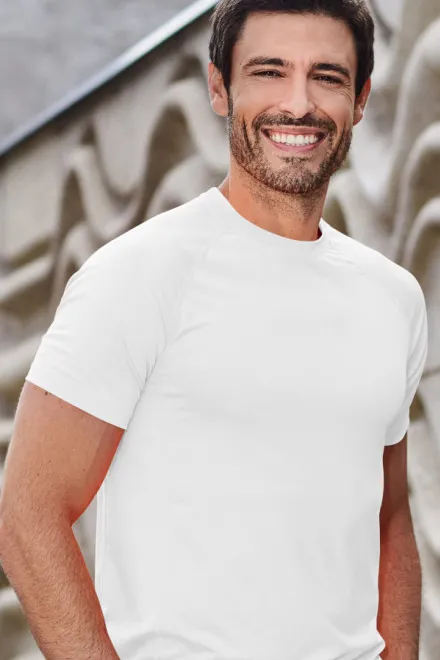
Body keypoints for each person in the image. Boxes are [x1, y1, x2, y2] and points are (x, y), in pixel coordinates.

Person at [0, 1, 428, 659]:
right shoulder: (139, 274)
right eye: (269, 71)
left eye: (327, 77)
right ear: (219, 88)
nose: (298, 104)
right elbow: (27, 515)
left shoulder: (393, 298)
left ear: (362, 98)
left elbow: (390, 515)